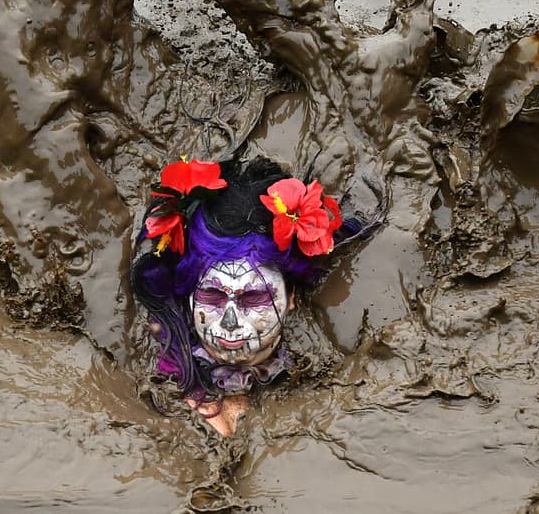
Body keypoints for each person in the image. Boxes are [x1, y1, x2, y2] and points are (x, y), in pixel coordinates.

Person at [129, 156, 363, 435]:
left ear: (291, 297)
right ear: (189, 297)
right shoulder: (155, 386)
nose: (230, 323)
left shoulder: (332, 378)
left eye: (253, 299)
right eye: (213, 296)